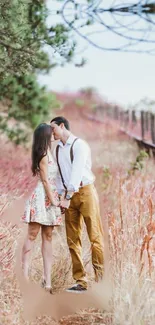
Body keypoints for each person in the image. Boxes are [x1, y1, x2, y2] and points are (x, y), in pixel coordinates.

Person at [50, 116, 104, 293]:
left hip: (85, 192)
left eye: (53, 129)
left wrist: (67, 196)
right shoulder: (57, 149)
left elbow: (76, 172)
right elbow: (59, 175)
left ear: (62, 126)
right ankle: (81, 281)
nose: (52, 133)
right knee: (73, 239)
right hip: (68, 195)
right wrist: (60, 196)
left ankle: (101, 281)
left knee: (94, 237)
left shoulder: (79, 145)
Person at [21, 123, 62, 293]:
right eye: (51, 132)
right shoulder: (43, 155)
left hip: (50, 196)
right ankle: (24, 277)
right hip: (42, 197)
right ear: (45, 136)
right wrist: (53, 200)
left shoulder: (50, 152)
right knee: (32, 234)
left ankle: (48, 280)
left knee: (48, 237)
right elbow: (45, 180)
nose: (54, 134)